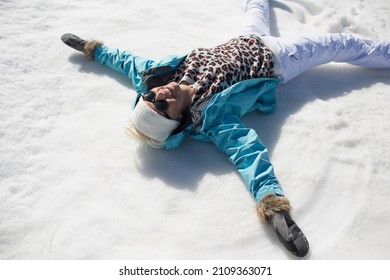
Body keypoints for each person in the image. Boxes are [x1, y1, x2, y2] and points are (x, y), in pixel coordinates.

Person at [61, 0, 390, 257]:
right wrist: (274, 207)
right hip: (281, 58)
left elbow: (126, 61)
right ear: (177, 119)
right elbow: (247, 153)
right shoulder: (213, 119)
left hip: (246, 39)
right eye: (162, 107)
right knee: (343, 43)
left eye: (149, 98)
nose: (159, 96)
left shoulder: (159, 75)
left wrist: (92, 48)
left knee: (255, 7)